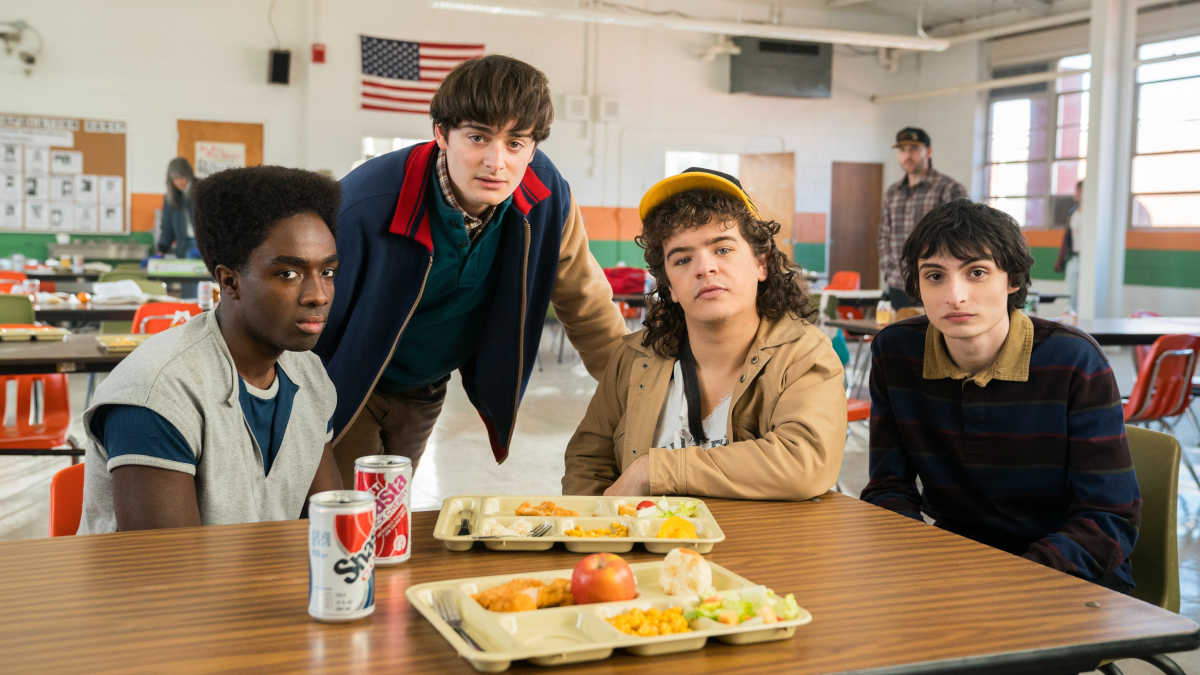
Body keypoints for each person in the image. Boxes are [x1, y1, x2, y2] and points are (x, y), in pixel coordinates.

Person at [315, 55, 625, 487]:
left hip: (425, 389)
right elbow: (306, 318)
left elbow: (587, 304)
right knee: (344, 511)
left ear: (533, 147)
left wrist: (635, 394)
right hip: (348, 383)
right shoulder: (363, 205)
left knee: (389, 508)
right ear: (441, 134)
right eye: (478, 138)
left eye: (515, 143)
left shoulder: (548, 198)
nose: (496, 162)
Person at [860, 199, 1140, 590]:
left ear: (1012, 280)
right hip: (956, 566)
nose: (955, 296)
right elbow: (888, 487)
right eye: (935, 276)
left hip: (1070, 576)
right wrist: (922, 558)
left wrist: (1010, 580)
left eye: (976, 272)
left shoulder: (1074, 361)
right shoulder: (896, 353)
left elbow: (1109, 517)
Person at [78, 166, 343, 533]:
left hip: (268, 572)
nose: (318, 295)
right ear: (229, 281)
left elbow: (330, 530)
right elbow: (169, 563)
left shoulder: (309, 375)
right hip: (167, 573)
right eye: (288, 274)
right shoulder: (157, 394)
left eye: (327, 272)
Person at [562, 168, 847, 499]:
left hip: (756, 535)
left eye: (722, 250)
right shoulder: (634, 357)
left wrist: (654, 471)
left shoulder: (803, 354)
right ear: (669, 287)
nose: (704, 268)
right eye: (682, 259)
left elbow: (805, 461)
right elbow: (587, 462)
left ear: (761, 263)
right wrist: (598, 524)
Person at [878, 127, 968, 309]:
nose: (907, 155)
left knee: (934, 329)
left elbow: (962, 237)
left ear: (928, 151)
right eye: (902, 150)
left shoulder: (949, 189)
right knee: (901, 328)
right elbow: (883, 236)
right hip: (898, 284)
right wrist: (889, 270)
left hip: (936, 283)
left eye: (913, 149)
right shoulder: (892, 193)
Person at [157, 157, 198, 258]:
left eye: (182, 177)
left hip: (202, 245)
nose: (179, 182)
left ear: (189, 175)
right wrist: (162, 249)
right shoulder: (169, 198)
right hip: (183, 247)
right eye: (175, 179)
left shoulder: (202, 189)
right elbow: (167, 226)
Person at [1054, 179, 1082, 312]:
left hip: (1089, 260)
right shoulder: (1072, 213)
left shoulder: (1093, 214)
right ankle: (1071, 316)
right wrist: (1060, 259)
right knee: (1071, 297)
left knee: (1086, 296)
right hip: (1074, 257)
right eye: (1077, 191)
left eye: (1079, 191)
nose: (1076, 194)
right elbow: (1066, 237)